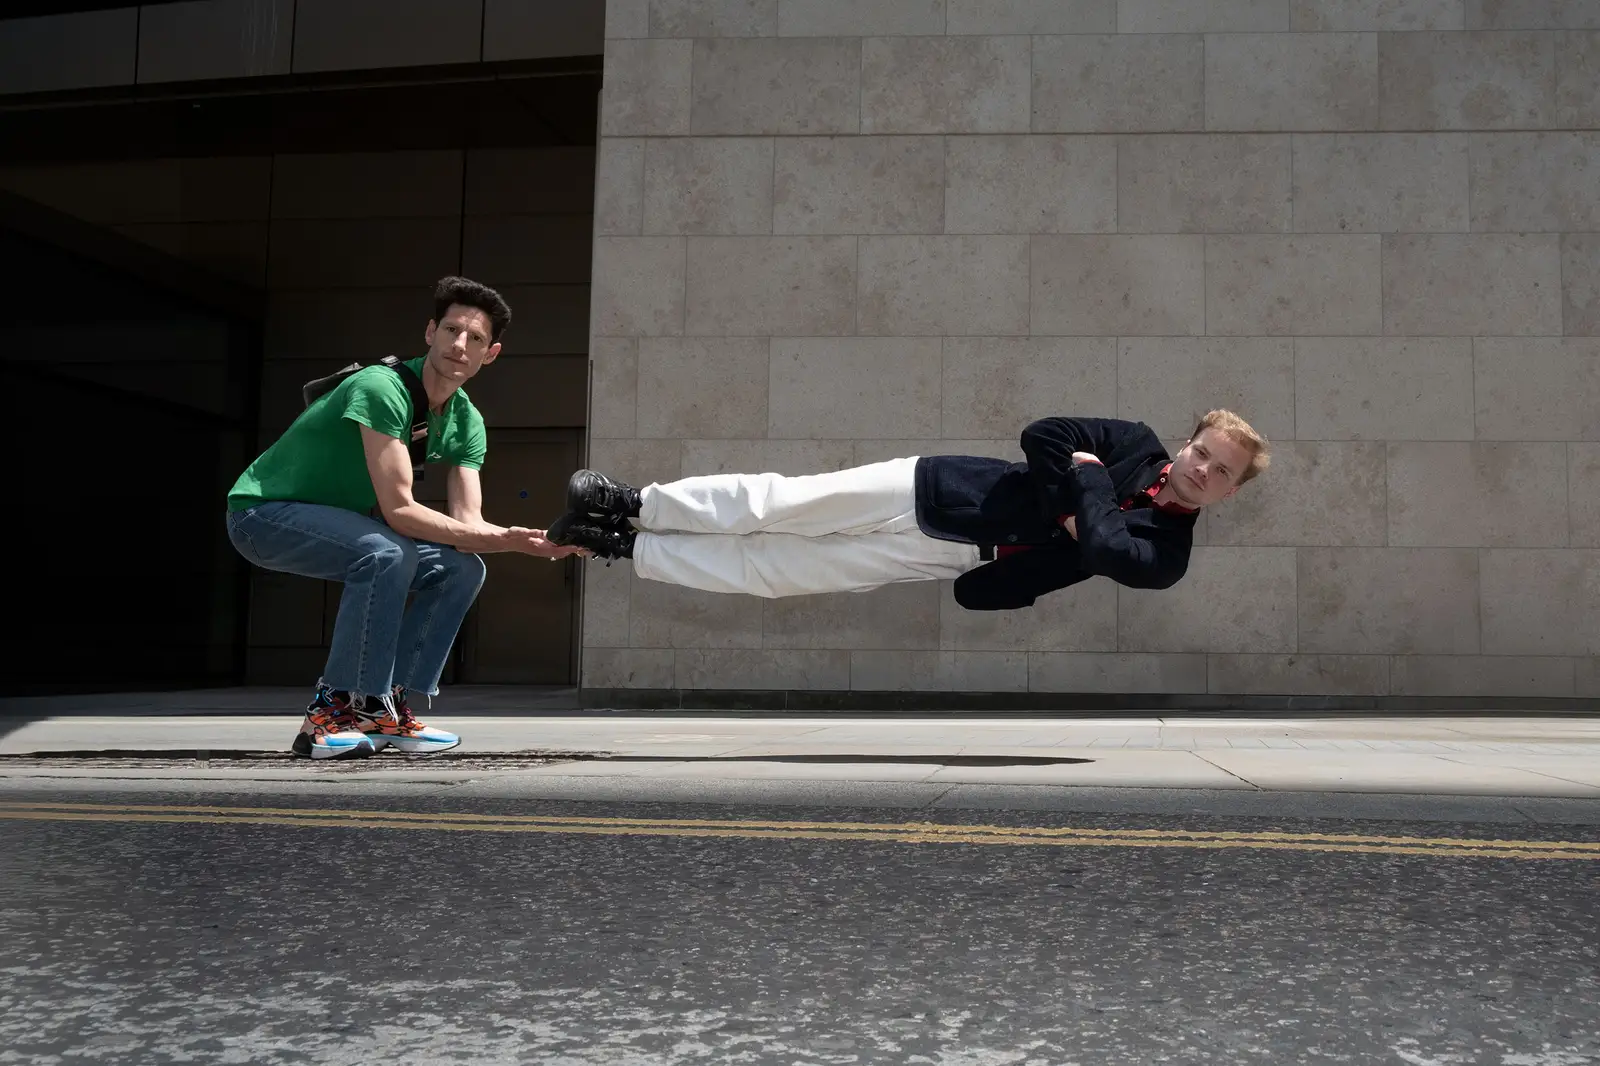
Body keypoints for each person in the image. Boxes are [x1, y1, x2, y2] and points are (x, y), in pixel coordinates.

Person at [226, 276, 583, 760]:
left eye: (475, 338)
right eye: (452, 330)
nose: (460, 345)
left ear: (490, 354)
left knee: (461, 568)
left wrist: (526, 539)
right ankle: (327, 715)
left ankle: (383, 708)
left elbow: (468, 528)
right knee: (387, 552)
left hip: (332, 522)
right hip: (261, 516)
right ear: (431, 332)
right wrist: (508, 540)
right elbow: (399, 512)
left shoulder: (465, 420)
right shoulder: (382, 387)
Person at [547, 411, 1268, 609]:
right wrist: (1081, 518)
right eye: (1203, 452)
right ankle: (630, 502)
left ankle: (625, 545)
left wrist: (1085, 488)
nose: (1202, 470)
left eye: (1221, 472)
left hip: (956, 556)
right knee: (780, 502)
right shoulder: (1135, 443)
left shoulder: (1168, 556)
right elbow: (1045, 435)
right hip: (934, 487)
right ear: (1188, 442)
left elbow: (1110, 550)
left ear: (1229, 492)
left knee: (781, 573)